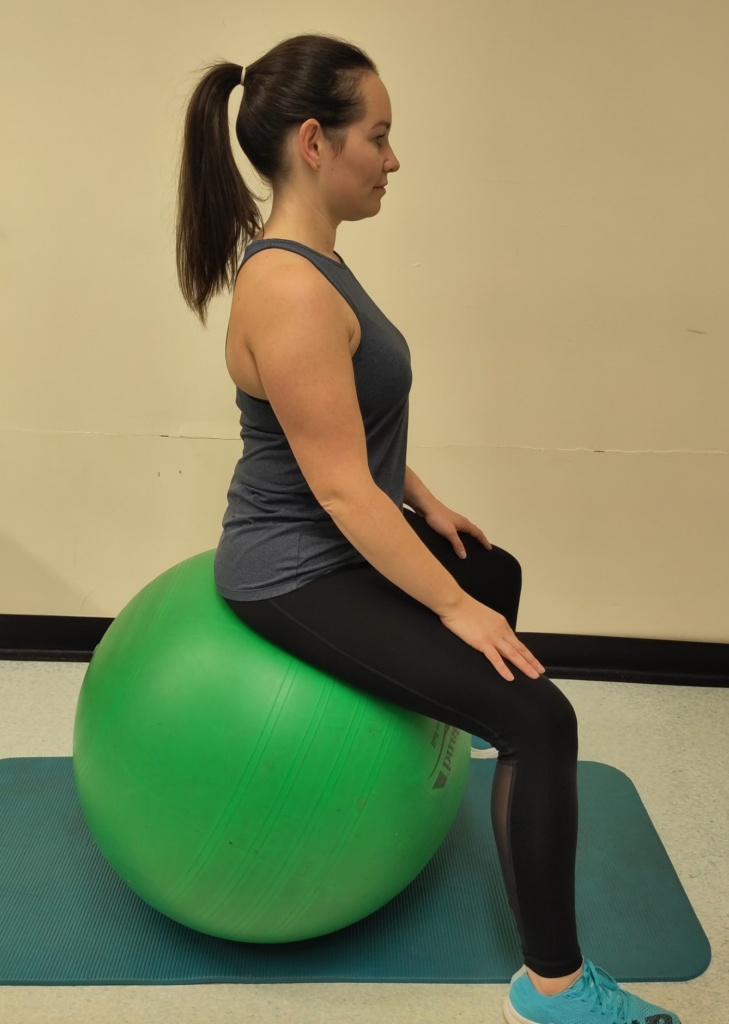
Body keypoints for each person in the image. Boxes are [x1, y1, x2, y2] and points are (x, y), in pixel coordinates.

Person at [174, 33, 681, 1024]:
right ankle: (554, 989)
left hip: (333, 529)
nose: (394, 158)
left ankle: (460, 785)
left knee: (492, 570)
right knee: (542, 716)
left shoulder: (314, 261)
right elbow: (339, 492)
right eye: (381, 135)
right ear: (316, 143)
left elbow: (341, 417)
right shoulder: (287, 286)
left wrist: (428, 501)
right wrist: (449, 611)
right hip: (291, 568)